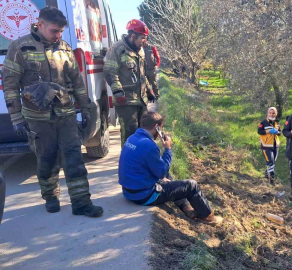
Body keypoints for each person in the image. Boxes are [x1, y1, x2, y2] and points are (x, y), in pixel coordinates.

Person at [2, 7, 103, 217]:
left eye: (60, 32)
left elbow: (77, 81)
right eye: (54, 31)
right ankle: (51, 196)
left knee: (74, 157)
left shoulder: (64, 48)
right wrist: (17, 118)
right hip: (37, 119)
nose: (58, 36)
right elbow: (10, 85)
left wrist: (85, 107)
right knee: (46, 159)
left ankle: (81, 203)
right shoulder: (19, 48)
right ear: (40, 25)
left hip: (65, 114)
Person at [118, 112, 223, 226]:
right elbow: (161, 171)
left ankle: (187, 208)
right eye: (161, 128)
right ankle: (208, 217)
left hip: (128, 191)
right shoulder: (149, 145)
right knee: (191, 185)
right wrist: (167, 149)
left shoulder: (131, 138)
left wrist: (163, 178)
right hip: (143, 196)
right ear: (157, 127)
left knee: (170, 179)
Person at [104, 19, 156, 146]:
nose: (144, 41)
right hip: (126, 101)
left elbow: (142, 74)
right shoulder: (117, 49)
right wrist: (118, 93)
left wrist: (149, 90)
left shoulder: (140, 50)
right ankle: (128, 162)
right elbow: (110, 73)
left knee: (143, 132)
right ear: (132, 36)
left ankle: (139, 161)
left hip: (141, 100)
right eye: (142, 38)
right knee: (130, 133)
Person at [257, 107, 281, 184]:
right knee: (270, 162)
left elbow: (280, 132)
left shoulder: (277, 122)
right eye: (270, 113)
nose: (271, 114)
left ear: (276, 114)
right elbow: (259, 131)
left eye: (273, 113)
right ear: (267, 113)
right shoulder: (263, 122)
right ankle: (271, 180)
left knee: (273, 162)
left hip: (275, 145)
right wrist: (268, 131)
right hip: (266, 145)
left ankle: (267, 175)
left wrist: (277, 132)